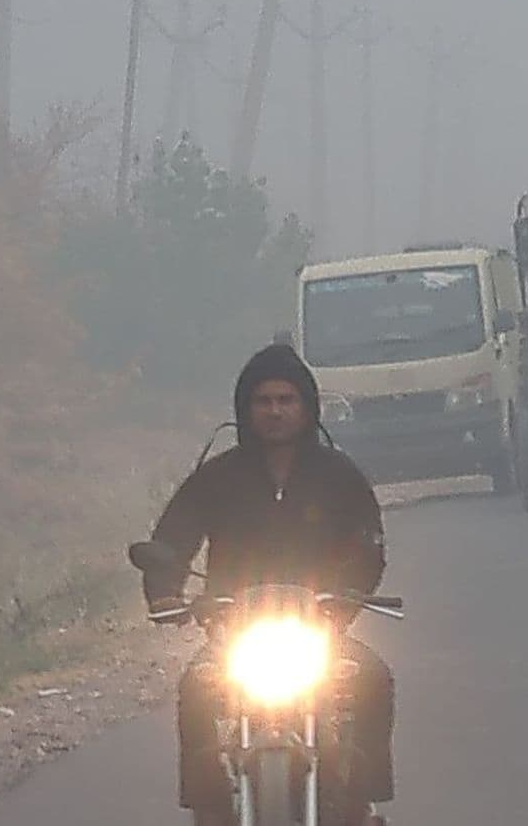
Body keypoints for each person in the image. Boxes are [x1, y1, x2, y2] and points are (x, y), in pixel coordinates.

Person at [139, 344, 394, 826]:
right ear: (244, 408)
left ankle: (361, 805)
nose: (275, 410)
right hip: (233, 636)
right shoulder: (217, 477)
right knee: (197, 687)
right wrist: (165, 592)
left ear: (306, 406)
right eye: (263, 400)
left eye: (285, 399)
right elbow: (171, 539)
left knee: (371, 678)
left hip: (319, 632)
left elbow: (368, 547)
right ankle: (210, 810)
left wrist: (341, 604)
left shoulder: (339, 475)